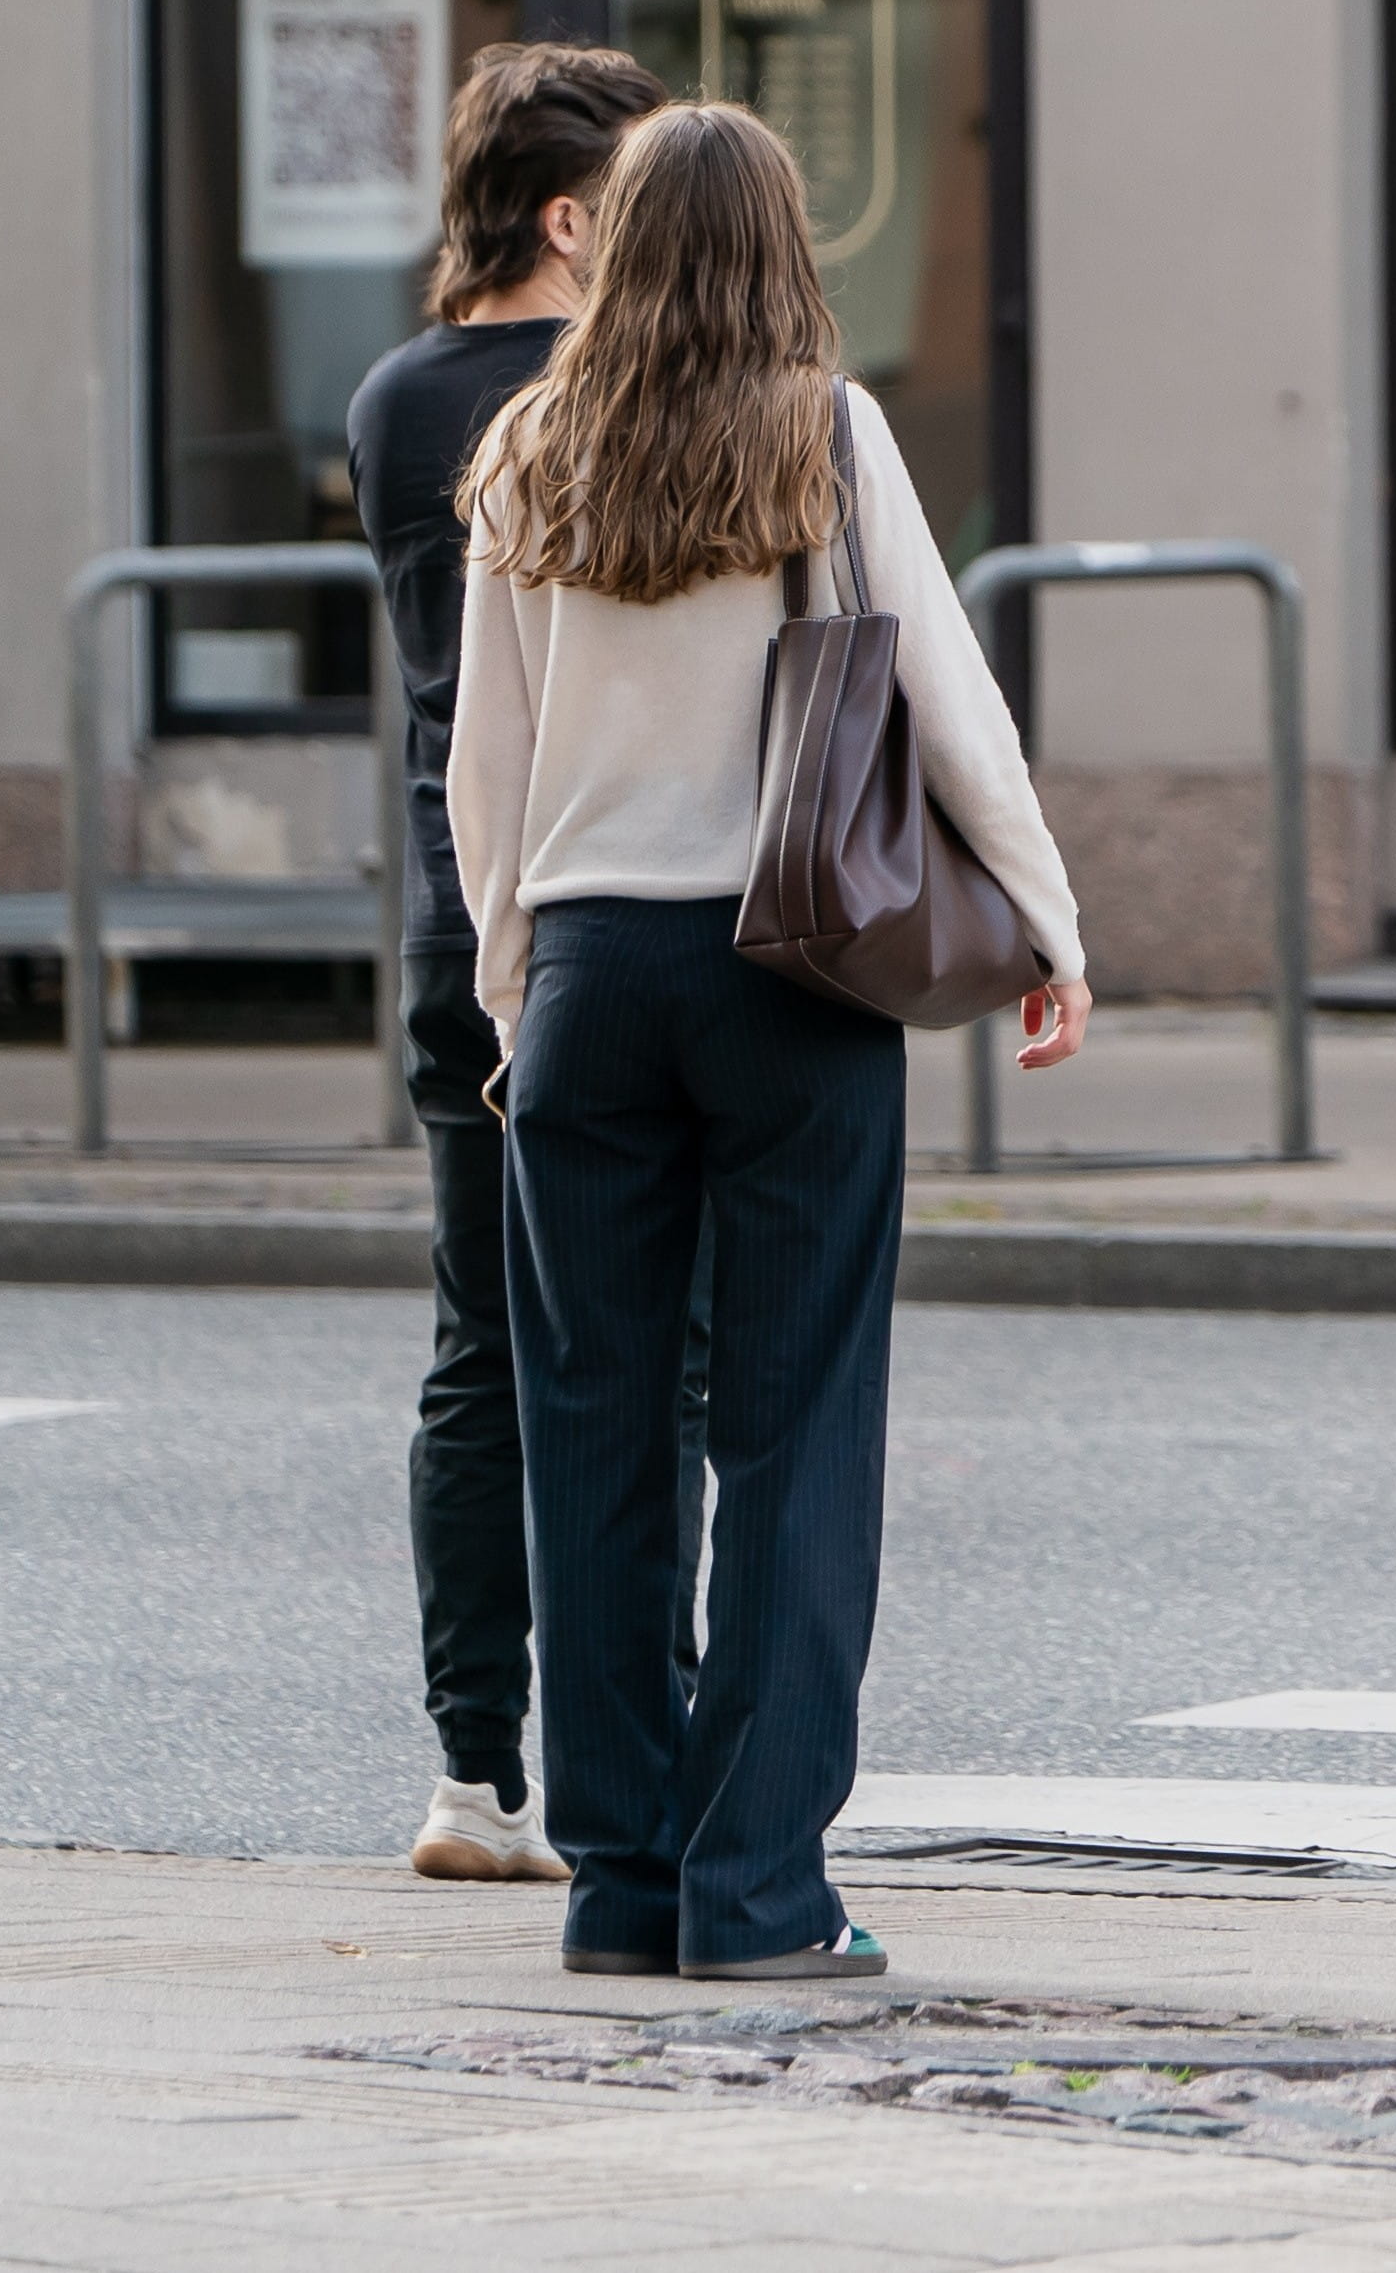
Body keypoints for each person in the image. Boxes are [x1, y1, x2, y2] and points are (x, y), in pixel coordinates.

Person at [451, 101, 1089, 1981]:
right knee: (797, 1429)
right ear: (779, 244)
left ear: (619, 241)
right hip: (785, 972)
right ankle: (756, 1892)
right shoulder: (821, 426)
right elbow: (936, 684)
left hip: (584, 977)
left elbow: (479, 772)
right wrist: (1042, 911)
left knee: (593, 1439)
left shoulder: (527, 444)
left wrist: (512, 988)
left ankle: (621, 1880)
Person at [349, 41, 672, 1887]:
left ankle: (477, 1774)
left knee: (481, 1349)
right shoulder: (594, 394)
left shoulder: (398, 396)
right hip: (615, 905)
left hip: (450, 917)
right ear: (569, 217)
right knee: (665, 1354)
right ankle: (658, 1753)